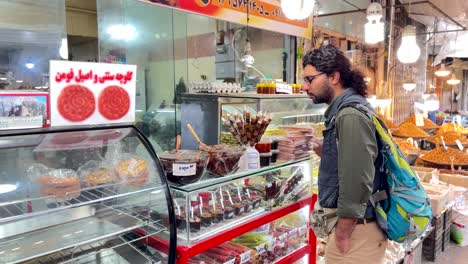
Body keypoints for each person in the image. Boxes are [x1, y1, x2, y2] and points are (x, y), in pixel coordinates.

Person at [302, 45, 387, 263]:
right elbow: (353, 161)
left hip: (357, 232)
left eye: (309, 79)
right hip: (358, 229)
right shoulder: (348, 109)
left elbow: (358, 179)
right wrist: (326, 150)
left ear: (334, 77)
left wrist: (342, 231)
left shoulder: (350, 115)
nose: (304, 86)